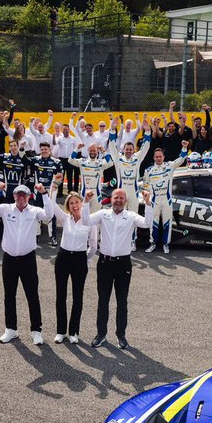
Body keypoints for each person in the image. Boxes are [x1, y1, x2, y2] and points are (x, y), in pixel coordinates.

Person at [0, 182, 54, 345]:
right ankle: (11, 329)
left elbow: (49, 215)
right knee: (9, 295)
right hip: (9, 259)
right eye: (18, 195)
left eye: (24, 195)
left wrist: (44, 194)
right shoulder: (6, 208)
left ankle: (36, 330)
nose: (21, 198)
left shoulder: (35, 211)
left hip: (28, 259)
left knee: (32, 295)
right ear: (14, 196)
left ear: (29, 197)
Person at [86, 187, 153, 348]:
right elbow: (85, 221)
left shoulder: (130, 216)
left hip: (123, 264)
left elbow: (147, 223)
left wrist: (149, 204)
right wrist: (86, 203)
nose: (118, 200)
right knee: (103, 301)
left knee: (122, 301)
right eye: (116, 197)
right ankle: (101, 334)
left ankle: (121, 335)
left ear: (126, 201)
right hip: (105, 263)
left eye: (121, 198)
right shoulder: (103, 214)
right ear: (111, 199)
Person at [51, 184, 96, 344]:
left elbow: (93, 246)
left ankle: (73, 332)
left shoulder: (90, 222)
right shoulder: (65, 219)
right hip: (63, 258)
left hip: (79, 260)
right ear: (68, 206)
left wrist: (86, 260)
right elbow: (52, 205)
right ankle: (60, 331)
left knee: (78, 297)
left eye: (77, 202)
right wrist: (54, 187)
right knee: (60, 296)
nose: (75, 206)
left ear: (81, 204)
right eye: (71, 203)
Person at [143, 144, 188, 253]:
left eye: (160, 156)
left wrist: (184, 148)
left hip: (167, 199)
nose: (158, 158)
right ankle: (152, 243)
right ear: (154, 158)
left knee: (167, 222)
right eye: (156, 157)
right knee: (154, 223)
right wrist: (147, 196)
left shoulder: (169, 166)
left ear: (163, 157)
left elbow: (181, 160)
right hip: (155, 200)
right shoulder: (148, 170)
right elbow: (145, 185)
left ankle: (165, 244)